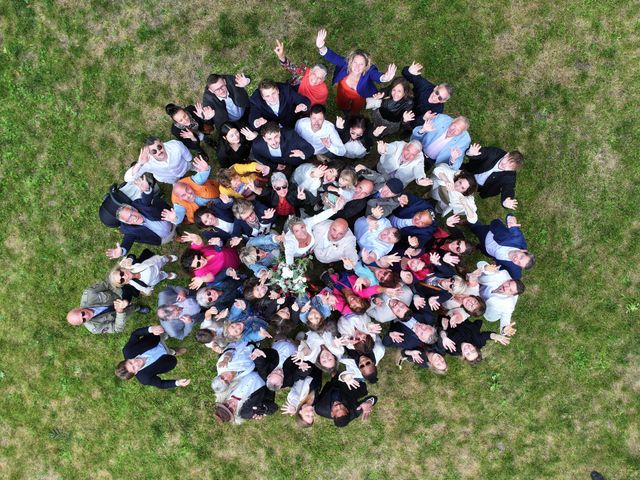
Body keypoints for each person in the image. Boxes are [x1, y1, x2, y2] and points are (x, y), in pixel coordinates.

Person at [315, 28, 396, 114]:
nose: (357, 67)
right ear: (350, 62)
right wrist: (321, 47)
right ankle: (343, 109)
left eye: (361, 64)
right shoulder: (345, 64)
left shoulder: (369, 71)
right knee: (342, 102)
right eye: (355, 62)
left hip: (360, 95)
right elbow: (333, 57)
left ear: (366, 66)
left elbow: (377, 76)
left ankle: (353, 113)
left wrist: (385, 77)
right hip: (342, 91)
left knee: (356, 108)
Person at [105, 176, 175, 259]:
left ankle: (176, 231)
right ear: (127, 222)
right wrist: (122, 250)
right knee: (172, 237)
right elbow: (127, 241)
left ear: (134, 209)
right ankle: (174, 237)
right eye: (129, 218)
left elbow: (146, 201)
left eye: (132, 213)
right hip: (162, 239)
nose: (134, 217)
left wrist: (146, 191)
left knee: (176, 225)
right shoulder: (128, 230)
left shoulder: (138, 204)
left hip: (172, 221)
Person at [114, 325, 190, 389]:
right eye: (134, 368)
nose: (135, 363)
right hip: (165, 357)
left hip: (156, 338)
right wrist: (177, 383)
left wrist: (151, 329)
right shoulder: (145, 378)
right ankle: (173, 351)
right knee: (170, 353)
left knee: (167, 330)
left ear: (127, 359)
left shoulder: (128, 350)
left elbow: (135, 334)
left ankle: (167, 334)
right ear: (135, 373)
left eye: (130, 362)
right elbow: (160, 384)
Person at [66, 281, 149, 334]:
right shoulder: (95, 328)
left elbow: (108, 284)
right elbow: (117, 328)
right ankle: (137, 307)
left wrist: (123, 296)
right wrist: (120, 312)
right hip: (121, 313)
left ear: (79, 308)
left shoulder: (89, 294)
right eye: (83, 319)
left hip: (120, 293)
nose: (86, 316)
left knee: (138, 287)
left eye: (82, 313)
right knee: (131, 309)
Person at [469, 214, 534, 280]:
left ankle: (477, 247)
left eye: (518, 263)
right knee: (475, 228)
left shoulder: (514, 268)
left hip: (488, 251)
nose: (516, 259)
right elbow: (510, 217)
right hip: (487, 234)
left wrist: (498, 267)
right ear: (523, 251)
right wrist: (511, 219)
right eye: (521, 257)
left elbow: (517, 277)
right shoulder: (516, 238)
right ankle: (468, 222)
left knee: (482, 250)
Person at [283, 197, 346, 264]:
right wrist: (290, 269)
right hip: (297, 253)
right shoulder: (290, 240)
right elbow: (289, 255)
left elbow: (319, 217)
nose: (302, 232)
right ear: (292, 233)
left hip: (309, 249)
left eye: (302, 227)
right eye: (297, 231)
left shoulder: (307, 223)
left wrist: (334, 210)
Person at [461, 143, 523, 209]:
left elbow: (508, 188)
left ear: (512, 170)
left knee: (460, 198)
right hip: (469, 171)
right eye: (507, 161)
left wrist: (506, 200)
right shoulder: (494, 153)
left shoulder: (510, 175)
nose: (505, 165)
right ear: (506, 155)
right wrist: (471, 153)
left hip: (478, 187)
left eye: (509, 167)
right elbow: (482, 152)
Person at [161, 156, 219, 225]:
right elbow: (178, 216)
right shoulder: (179, 204)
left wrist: (205, 169)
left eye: (187, 189)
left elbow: (201, 176)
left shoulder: (193, 182)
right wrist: (175, 218)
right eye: (183, 195)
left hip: (217, 199)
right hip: (207, 215)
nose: (189, 194)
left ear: (189, 186)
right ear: (180, 198)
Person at [273, 39, 329, 106]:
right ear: (311, 71)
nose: (315, 80)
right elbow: (290, 67)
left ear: (323, 80)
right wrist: (281, 56)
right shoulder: (303, 72)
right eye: (314, 74)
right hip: (290, 96)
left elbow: (317, 106)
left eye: (319, 78)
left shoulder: (323, 91)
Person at [476, 261, 524, 332]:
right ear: (508, 280)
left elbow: (506, 319)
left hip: (489, 311)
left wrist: (504, 329)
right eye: (508, 284)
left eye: (510, 290)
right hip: (481, 288)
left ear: (511, 295)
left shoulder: (508, 306)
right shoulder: (502, 274)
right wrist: (486, 267)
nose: (506, 288)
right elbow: (480, 264)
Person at [439, 319, 515, 364]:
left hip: (443, 322)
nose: (468, 349)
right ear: (475, 347)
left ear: (463, 356)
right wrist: (496, 336)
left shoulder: (453, 350)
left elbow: (440, 337)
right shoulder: (477, 342)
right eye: (472, 350)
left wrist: (444, 328)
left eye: (468, 353)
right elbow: (486, 336)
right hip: (460, 316)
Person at [124, 137, 193, 185]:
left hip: (185, 167)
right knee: (176, 184)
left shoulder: (176, 145)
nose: (158, 152)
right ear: (149, 153)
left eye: (159, 147)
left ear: (162, 143)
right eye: (154, 151)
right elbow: (128, 178)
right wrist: (139, 164)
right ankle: (176, 183)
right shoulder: (147, 163)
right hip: (169, 178)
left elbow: (188, 157)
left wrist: (189, 161)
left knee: (192, 165)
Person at [108, 250, 178, 296]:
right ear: (125, 283)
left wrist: (129, 259)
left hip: (154, 263)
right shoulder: (134, 284)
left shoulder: (130, 266)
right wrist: (148, 291)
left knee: (162, 259)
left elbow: (131, 256)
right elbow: (143, 289)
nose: (124, 276)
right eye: (122, 280)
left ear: (122, 268)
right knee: (161, 276)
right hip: (154, 279)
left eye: (121, 273)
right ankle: (166, 275)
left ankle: (168, 258)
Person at [250, 121, 315, 171]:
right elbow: (258, 157)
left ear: (279, 133)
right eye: (269, 139)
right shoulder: (257, 145)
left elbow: (310, 149)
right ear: (264, 138)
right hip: (278, 166)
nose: (274, 142)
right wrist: (274, 166)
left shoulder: (290, 134)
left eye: (276, 136)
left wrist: (302, 153)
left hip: (297, 162)